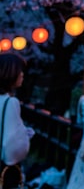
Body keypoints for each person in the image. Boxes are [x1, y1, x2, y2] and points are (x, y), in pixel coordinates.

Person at [0, 53, 34, 189]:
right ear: (11, 73)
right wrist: (25, 135)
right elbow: (12, 149)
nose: (22, 75)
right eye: (20, 71)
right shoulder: (11, 102)